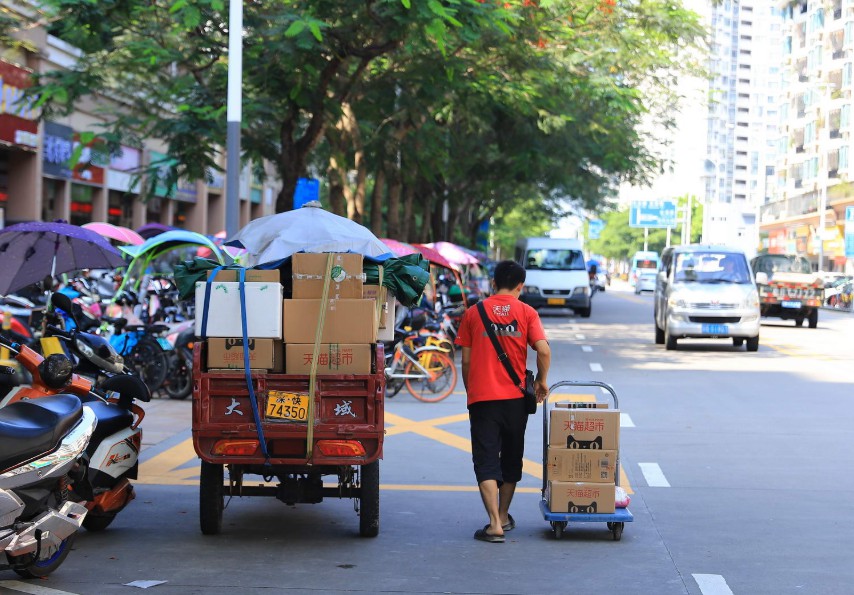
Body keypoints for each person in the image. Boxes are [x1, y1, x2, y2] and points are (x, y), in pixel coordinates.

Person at [454, 260, 551, 543]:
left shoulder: (473, 313)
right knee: (511, 458)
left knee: (485, 459)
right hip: (515, 400)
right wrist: (541, 381)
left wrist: (471, 392)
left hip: (483, 399)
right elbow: (543, 351)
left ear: (493, 283)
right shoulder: (527, 312)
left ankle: (494, 523)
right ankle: (504, 515)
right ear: (520, 286)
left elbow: (467, 361)